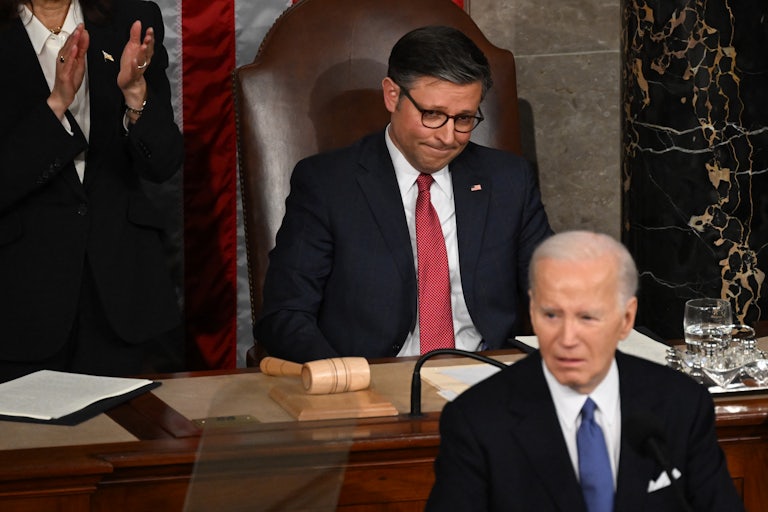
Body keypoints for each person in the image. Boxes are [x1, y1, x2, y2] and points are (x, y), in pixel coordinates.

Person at [255, 25, 552, 363]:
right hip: (370, 384)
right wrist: (342, 378)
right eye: (433, 115)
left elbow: (556, 289)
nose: (448, 137)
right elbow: (284, 315)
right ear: (392, 96)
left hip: (488, 377)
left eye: (465, 119)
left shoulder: (508, 180)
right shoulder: (327, 185)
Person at [426, 231, 744, 512]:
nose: (567, 339)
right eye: (551, 315)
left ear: (626, 319)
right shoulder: (477, 420)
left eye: (587, 318)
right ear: (533, 312)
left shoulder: (681, 405)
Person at [0, 0, 184, 381]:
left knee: (124, 439)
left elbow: (162, 163)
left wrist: (136, 93)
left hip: (122, 295)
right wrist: (56, 106)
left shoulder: (132, 20)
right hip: (18, 302)